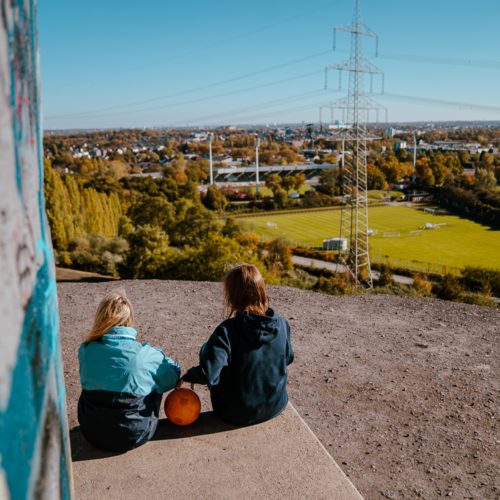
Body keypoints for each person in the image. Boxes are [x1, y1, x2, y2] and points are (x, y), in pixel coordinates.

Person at [181, 264, 294, 425]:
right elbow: (288, 358)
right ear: (261, 289)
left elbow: (209, 374)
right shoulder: (282, 324)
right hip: (275, 405)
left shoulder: (227, 331)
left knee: (207, 348)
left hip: (234, 413)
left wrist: (189, 375)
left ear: (232, 296)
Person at [77, 289, 180, 451]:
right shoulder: (145, 354)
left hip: (91, 431)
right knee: (153, 380)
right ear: (130, 319)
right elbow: (172, 378)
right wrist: (158, 354)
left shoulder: (85, 350)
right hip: (134, 434)